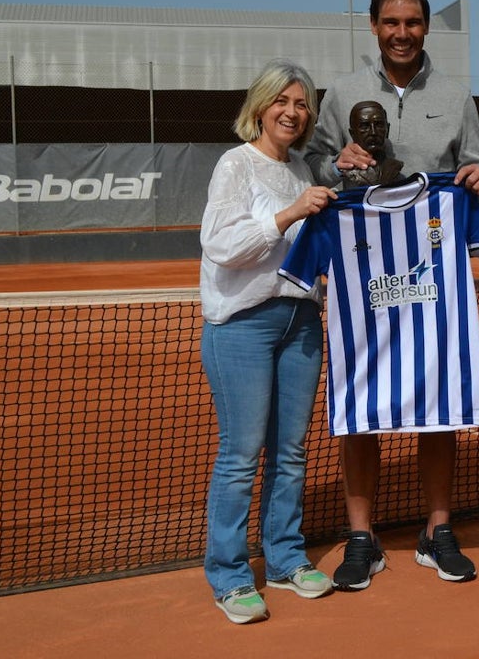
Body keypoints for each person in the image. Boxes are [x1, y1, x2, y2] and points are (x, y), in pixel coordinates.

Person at [305, 0, 479, 589]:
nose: (403, 34)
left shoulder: (455, 94)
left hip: (433, 273)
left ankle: (437, 530)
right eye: (392, 23)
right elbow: (312, 162)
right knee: (361, 402)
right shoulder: (343, 94)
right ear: (374, 27)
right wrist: (337, 163)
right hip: (361, 272)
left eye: (413, 23)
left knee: (437, 403)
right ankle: (362, 536)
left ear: (425, 27)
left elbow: (477, 163)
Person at [198, 59, 339, 624]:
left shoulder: (303, 168)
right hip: (243, 325)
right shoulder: (235, 164)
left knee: (291, 451)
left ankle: (284, 559)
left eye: (302, 104)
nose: (292, 111)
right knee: (240, 455)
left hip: (300, 322)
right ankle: (230, 576)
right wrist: (289, 214)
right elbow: (221, 245)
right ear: (259, 107)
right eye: (282, 100)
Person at [340, 100, 405, 188]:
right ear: (352, 133)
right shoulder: (349, 170)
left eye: (379, 125)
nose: (373, 132)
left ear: (387, 129)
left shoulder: (394, 167)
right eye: (364, 126)